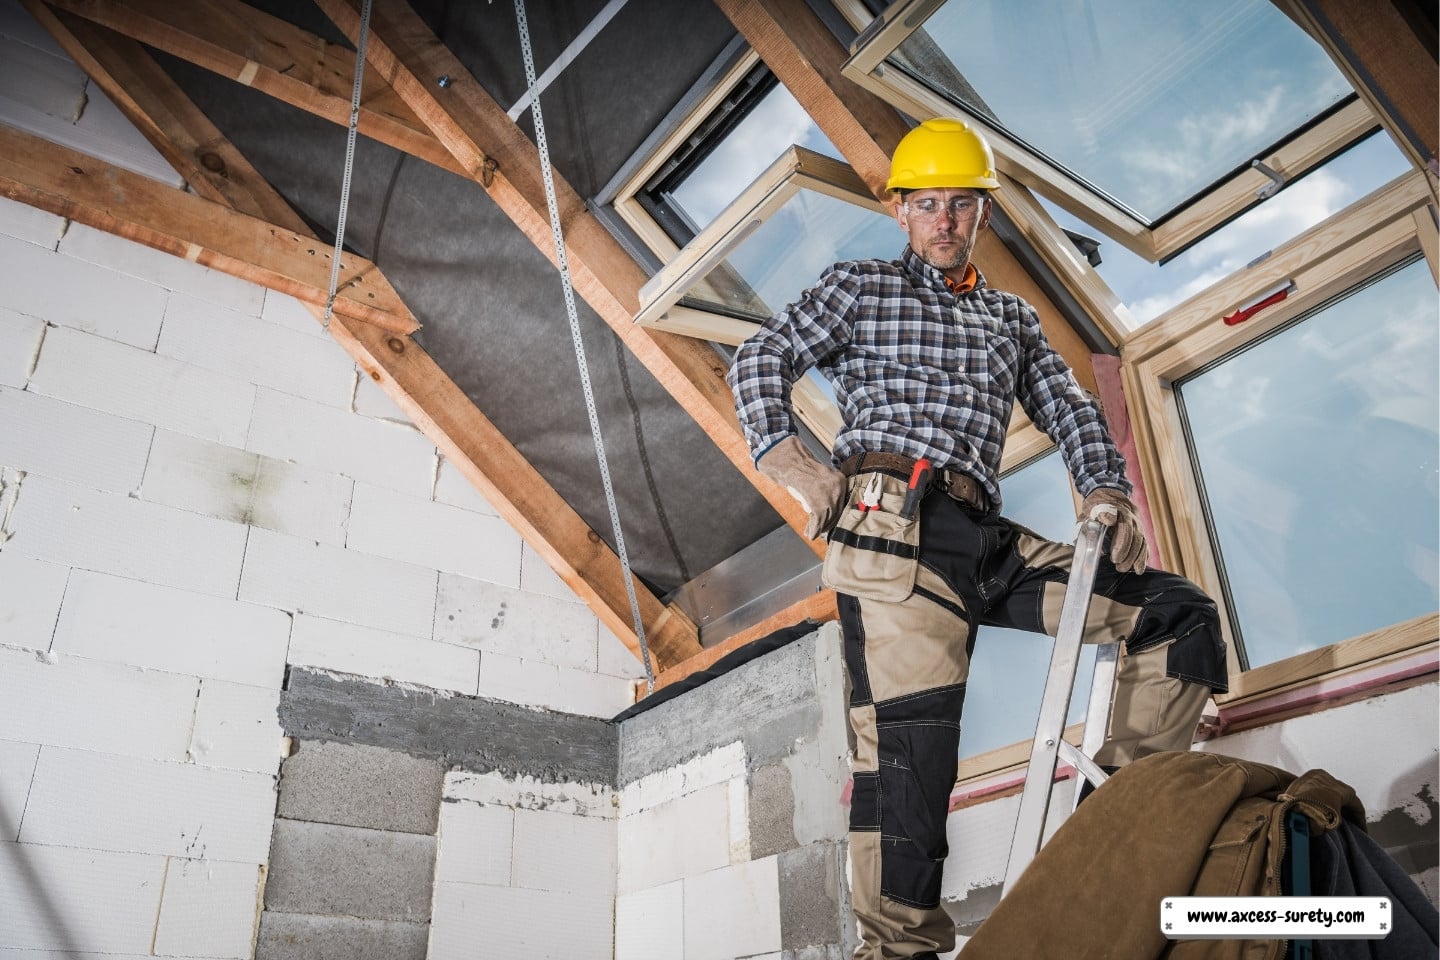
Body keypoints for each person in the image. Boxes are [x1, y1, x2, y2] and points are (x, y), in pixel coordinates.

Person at [727, 118, 1229, 960]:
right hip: (893, 532)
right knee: (912, 766)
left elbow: (1069, 408)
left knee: (1179, 615)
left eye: (960, 205)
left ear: (982, 215)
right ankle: (898, 951)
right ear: (902, 214)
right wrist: (802, 471)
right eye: (928, 205)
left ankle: (1110, 826)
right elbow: (758, 362)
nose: (945, 220)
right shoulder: (860, 287)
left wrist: (1107, 491)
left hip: (984, 540)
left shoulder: (1011, 318)